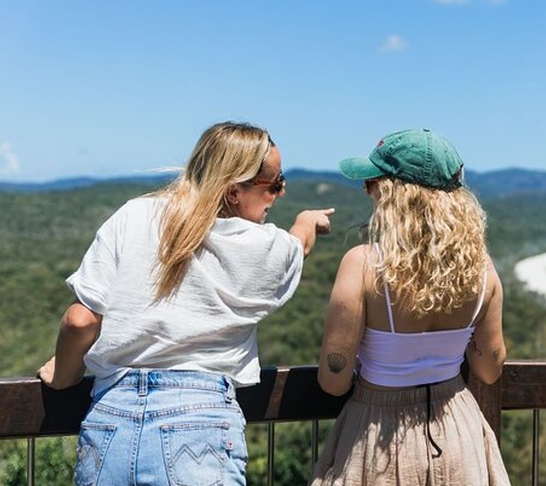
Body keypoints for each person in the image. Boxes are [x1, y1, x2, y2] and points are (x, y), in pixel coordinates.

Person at [37, 121, 334, 485]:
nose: (280, 193)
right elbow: (298, 245)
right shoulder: (259, 245)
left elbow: (80, 321)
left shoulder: (133, 214)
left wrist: (63, 377)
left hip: (109, 419)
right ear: (233, 192)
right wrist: (307, 220)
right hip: (200, 423)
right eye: (274, 184)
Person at [310, 128, 510, 485]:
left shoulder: (362, 264)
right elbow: (489, 369)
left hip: (379, 434)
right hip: (457, 431)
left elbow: (333, 381)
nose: (365, 190)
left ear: (392, 193)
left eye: (371, 182)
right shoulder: (481, 270)